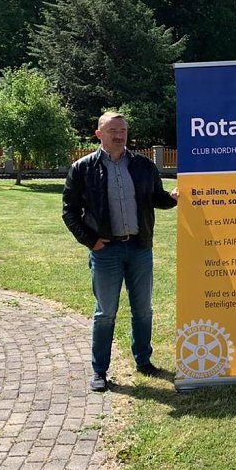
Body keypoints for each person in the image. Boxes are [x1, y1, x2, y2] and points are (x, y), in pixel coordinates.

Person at [62, 112, 178, 392]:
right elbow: (69, 211)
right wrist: (91, 241)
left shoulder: (143, 166)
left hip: (139, 248)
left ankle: (144, 361)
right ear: (98, 133)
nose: (119, 135)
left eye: (123, 130)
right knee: (106, 313)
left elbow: (154, 198)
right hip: (106, 252)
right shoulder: (83, 168)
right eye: (112, 130)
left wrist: (173, 199)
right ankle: (100, 371)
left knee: (143, 310)